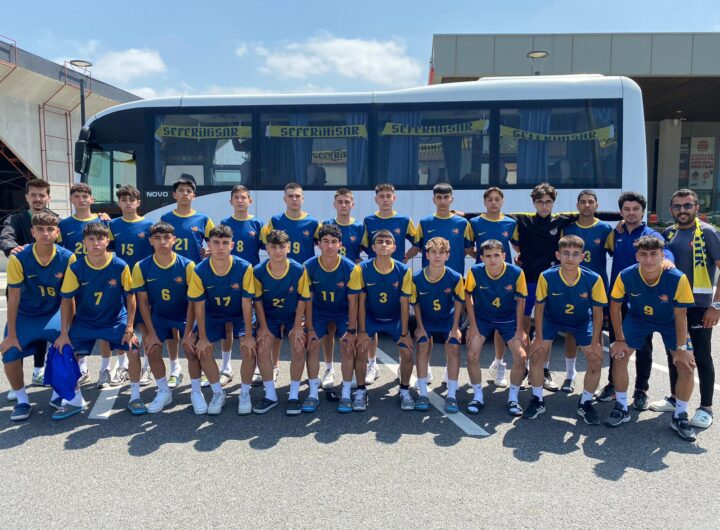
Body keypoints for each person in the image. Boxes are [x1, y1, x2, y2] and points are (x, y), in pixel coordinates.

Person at [607, 236, 696, 441]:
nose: (648, 260)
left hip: (670, 322)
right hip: (638, 319)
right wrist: (619, 339)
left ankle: (680, 415)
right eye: (643, 254)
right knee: (619, 356)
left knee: (686, 366)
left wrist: (682, 349)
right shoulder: (625, 275)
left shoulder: (677, 278)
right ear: (637, 256)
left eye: (653, 254)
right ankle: (621, 406)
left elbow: (681, 315)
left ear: (662, 255)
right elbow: (615, 307)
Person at [595, 191, 674, 410]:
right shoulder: (616, 233)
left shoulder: (650, 235)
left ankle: (641, 390)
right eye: (627, 209)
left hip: (642, 301)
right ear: (621, 212)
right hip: (617, 299)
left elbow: (666, 253)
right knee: (616, 343)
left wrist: (668, 262)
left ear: (643, 211)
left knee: (643, 347)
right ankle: (613, 385)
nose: (631, 213)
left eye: (636, 209)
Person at [650, 189, 720, 429]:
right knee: (675, 354)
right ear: (671, 210)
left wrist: (716, 306)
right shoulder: (669, 232)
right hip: (672, 305)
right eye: (678, 206)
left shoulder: (707, 232)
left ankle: (706, 408)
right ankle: (674, 397)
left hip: (699, 306)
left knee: (701, 356)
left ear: (697, 208)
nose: (683, 210)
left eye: (688, 205)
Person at [54, 223, 138, 420]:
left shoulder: (120, 265)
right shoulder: (76, 267)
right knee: (65, 351)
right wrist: (64, 333)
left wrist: (130, 327)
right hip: (86, 321)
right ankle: (75, 399)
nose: (96, 243)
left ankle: (135, 397)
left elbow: (131, 297)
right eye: (91, 239)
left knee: (133, 348)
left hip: (114, 320)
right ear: (84, 242)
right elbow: (66, 299)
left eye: (100, 239)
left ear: (107, 241)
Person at [0, 212, 75, 421]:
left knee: (65, 346)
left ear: (57, 232)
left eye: (50, 229)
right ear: (32, 232)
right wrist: (11, 334)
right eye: (40, 229)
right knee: (9, 352)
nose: (45, 234)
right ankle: (22, 401)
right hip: (26, 314)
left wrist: (66, 332)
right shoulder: (19, 258)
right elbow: (13, 298)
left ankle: (58, 392)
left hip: (53, 313)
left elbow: (68, 298)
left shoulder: (68, 257)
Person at [527, 235, 607, 423]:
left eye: (575, 254)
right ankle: (537, 399)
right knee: (537, 353)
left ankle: (585, 402)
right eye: (566, 253)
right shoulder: (547, 276)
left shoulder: (594, 279)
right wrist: (538, 337)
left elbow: (598, 313)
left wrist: (596, 342)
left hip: (581, 320)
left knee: (596, 359)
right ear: (558, 255)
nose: (570, 258)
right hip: (552, 319)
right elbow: (539, 307)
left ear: (582, 257)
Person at [187, 224, 256, 415]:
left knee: (249, 348)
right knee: (202, 348)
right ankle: (218, 393)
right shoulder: (199, 270)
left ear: (232, 245)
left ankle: (245, 393)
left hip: (239, 313)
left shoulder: (244, 267)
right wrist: (202, 338)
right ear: (208, 245)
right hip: (214, 314)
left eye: (225, 243)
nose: (220, 247)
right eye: (216, 242)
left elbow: (246, 303)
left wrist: (248, 335)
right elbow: (199, 305)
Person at [131, 222, 196, 413]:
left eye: (167, 238)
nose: (162, 242)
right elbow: (143, 302)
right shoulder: (141, 266)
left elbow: (193, 302)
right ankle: (164, 391)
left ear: (174, 240)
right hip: (159, 316)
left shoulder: (188, 265)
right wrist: (150, 333)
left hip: (184, 316)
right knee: (151, 349)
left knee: (192, 349)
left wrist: (189, 332)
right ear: (151, 241)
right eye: (157, 238)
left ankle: (196, 392)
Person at [0, 178, 56, 389]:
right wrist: (11, 248)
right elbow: (6, 237)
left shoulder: (55, 220)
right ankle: (18, 382)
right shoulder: (16, 219)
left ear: (48, 197)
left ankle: (38, 370)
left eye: (42, 195)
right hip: (21, 286)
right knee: (18, 331)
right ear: (26, 197)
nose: (38, 198)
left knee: (43, 328)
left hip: (46, 285)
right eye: (33, 195)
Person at [160, 175, 215, 389]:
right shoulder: (166, 218)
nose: (185, 194)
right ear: (174, 195)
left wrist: (209, 252)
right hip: (171, 275)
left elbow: (215, 242)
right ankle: (175, 367)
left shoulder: (203, 219)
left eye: (188, 191)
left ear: (194, 195)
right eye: (181, 191)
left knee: (199, 322)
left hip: (196, 277)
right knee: (173, 323)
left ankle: (204, 364)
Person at [361, 184, 418, 384]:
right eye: (382, 196)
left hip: (395, 274)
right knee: (372, 320)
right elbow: (363, 245)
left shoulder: (404, 220)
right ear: (376, 199)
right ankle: (372, 364)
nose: (385, 199)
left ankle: (403, 369)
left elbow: (418, 243)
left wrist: (404, 258)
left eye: (388, 196)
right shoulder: (368, 221)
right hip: (375, 275)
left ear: (394, 198)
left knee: (398, 315)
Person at [465, 239, 529, 417]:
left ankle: (513, 398)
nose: (492, 260)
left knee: (521, 357)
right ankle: (478, 396)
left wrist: (520, 329)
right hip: (483, 319)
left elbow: (521, 300)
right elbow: (468, 295)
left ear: (504, 256)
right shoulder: (475, 271)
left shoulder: (516, 272)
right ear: (482, 258)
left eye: (496, 255)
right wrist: (472, 325)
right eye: (488, 256)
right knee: (471, 355)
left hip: (508, 320)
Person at [57, 183, 112, 384]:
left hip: (100, 279)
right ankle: (82, 366)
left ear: (91, 199)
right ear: (71, 199)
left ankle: (106, 368)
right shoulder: (64, 225)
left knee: (105, 323)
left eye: (84, 196)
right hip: (75, 279)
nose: (81, 200)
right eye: (77, 196)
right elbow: (58, 251)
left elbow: (111, 250)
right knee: (77, 324)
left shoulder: (104, 221)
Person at [252, 229, 310, 414]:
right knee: (262, 347)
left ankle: (293, 395)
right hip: (270, 316)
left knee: (299, 346)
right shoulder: (258, 271)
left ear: (288, 248)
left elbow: (303, 298)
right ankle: (270, 395)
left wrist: (297, 326)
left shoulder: (298, 269)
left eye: (282, 247)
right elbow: (257, 301)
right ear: (267, 248)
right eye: (273, 247)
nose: (278, 251)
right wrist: (262, 326)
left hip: (292, 315)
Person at [355, 230, 413, 412]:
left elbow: (405, 304)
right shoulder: (362, 268)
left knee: (407, 352)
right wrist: (361, 331)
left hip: (394, 318)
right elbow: (360, 301)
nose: (384, 245)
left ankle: (404, 390)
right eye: (380, 242)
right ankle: (360, 390)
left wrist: (405, 333)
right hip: (371, 318)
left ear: (394, 247)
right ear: (373, 247)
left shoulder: (403, 270)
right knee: (361, 348)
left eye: (388, 242)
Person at [304, 224, 360, 414]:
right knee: (312, 345)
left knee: (347, 345)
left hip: (342, 312)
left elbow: (353, 302)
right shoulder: (309, 266)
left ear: (340, 245)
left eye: (334, 242)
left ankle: (346, 393)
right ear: (318, 244)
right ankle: (313, 393)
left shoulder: (350, 268)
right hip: (319, 312)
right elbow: (307, 300)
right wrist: (309, 328)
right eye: (325, 241)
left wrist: (351, 330)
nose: (329, 246)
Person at [560, 190, 612, 393]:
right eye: (583, 202)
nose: (587, 205)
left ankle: (594, 379)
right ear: (577, 205)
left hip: (597, 287)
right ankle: (570, 375)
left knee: (597, 332)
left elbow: (616, 253)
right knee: (571, 332)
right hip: (572, 286)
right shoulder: (568, 228)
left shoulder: (605, 229)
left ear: (597, 205)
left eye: (591, 202)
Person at [468, 187, 518, 388]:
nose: (494, 203)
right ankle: (472, 373)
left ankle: (499, 364)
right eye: (490, 199)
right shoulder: (475, 223)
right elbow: (468, 247)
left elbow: (517, 246)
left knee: (501, 321)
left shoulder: (511, 223)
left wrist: (501, 263)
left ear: (502, 201)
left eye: (497, 199)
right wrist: (487, 262)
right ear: (485, 202)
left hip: (504, 280)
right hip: (483, 280)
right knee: (481, 320)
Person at [411, 237, 464, 413]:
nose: (437, 256)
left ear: (447, 255)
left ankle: (452, 395)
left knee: (454, 346)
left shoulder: (455, 277)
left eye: (441, 253)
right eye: (433, 252)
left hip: (447, 320)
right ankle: (423, 393)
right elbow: (415, 304)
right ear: (427, 255)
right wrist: (419, 326)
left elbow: (459, 302)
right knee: (422, 345)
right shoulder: (416, 278)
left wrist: (455, 328)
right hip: (426, 319)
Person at [318, 188, 364, 390]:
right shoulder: (326, 225)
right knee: (328, 329)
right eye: (340, 202)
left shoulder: (359, 227)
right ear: (334, 204)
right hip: (330, 281)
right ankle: (328, 368)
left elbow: (364, 254)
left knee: (354, 328)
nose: (343, 205)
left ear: (352, 204)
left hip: (351, 281)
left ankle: (357, 369)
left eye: (347, 202)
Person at [109, 185, 154, 387]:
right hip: (121, 282)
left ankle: (148, 366)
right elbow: (108, 252)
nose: (128, 203)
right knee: (121, 324)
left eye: (131, 200)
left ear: (138, 203)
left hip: (144, 281)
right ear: (119, 203)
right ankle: (122, 366)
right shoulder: (112, 225)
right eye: (124, 200)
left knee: (145, 325)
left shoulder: (149, 225)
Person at [220, 185, 264, 386]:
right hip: (228, 278)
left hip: (252, 279)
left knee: (256, 322)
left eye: (243, 197)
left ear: (250, 201)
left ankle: (258, 367)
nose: (240, 201)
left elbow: (269, 247)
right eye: (236, 197)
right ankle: (226, 366)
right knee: (227, 324)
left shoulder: (258, 224)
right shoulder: (225, 223)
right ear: (231, 201)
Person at [413, 183, 473, 276]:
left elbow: (469, 249)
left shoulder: (463, 223)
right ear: (434, 200)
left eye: (446, 197)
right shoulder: (424, 223)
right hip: (429, 277)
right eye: (439, 197)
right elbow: (418, 248)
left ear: (452, 199)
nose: (442, 201)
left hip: (455, 276)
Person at [260, 182, 319, 265]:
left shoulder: (313, 223)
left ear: (302, 199)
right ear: (285, 199)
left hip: (306, 270)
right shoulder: (275, 221)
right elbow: (268, 246)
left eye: (297, 196)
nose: (294, 199)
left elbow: (322, 245)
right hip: (282, 269)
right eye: (290, 196)